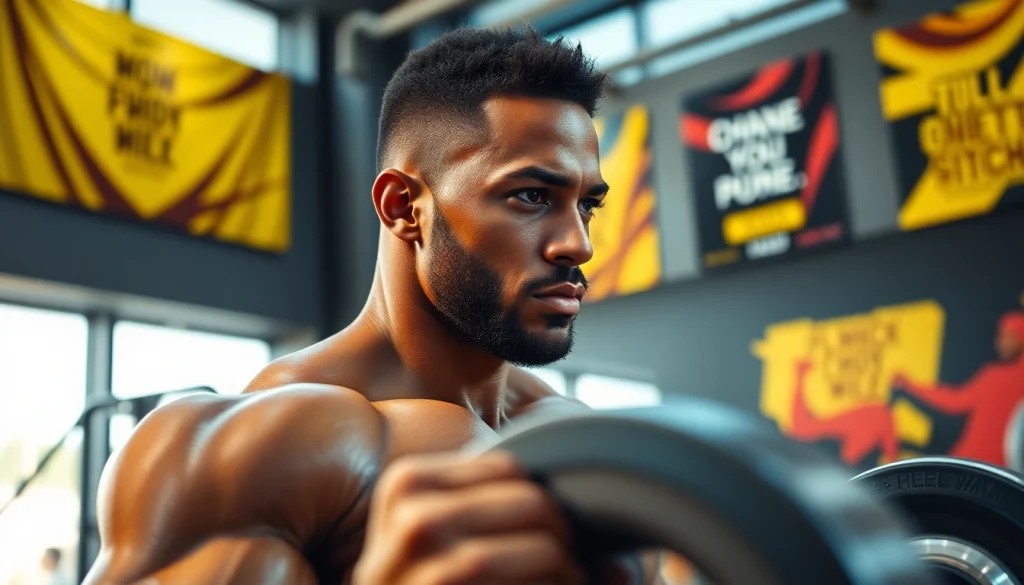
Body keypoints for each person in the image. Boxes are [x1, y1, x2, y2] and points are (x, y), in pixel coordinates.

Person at [83, 27, 661, 585]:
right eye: (531, 196)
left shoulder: (575, 429)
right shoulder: (252, 456)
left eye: (587, 205)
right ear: (403, 207)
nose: (578, 244)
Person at [891, 311, 1024, 467]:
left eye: (1007, 336)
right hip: (986, 472)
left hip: (972, 469)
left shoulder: (995, 377)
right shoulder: (994, 375)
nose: (999, 343)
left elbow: (954, 401)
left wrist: (910, 386)